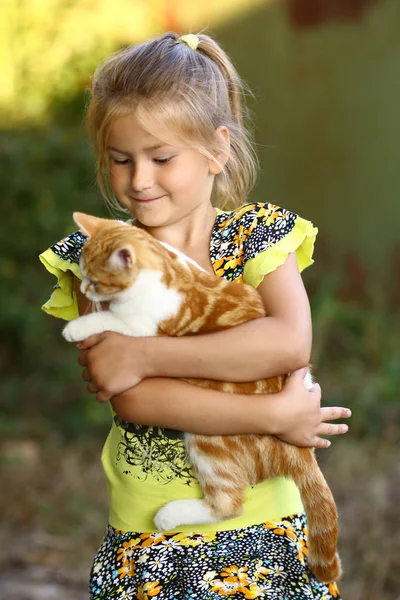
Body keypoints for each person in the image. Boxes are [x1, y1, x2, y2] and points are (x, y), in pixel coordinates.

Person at [40, 32, 351, 600]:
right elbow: (131, 395)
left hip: (266, 534)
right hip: (148, 543)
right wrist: (275, 416)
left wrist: (143, 354)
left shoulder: (254, 238)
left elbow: (287, 343)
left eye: (161, 158)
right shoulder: (102, 252)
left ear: (217, 150)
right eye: (119, 159)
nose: (139, 179)